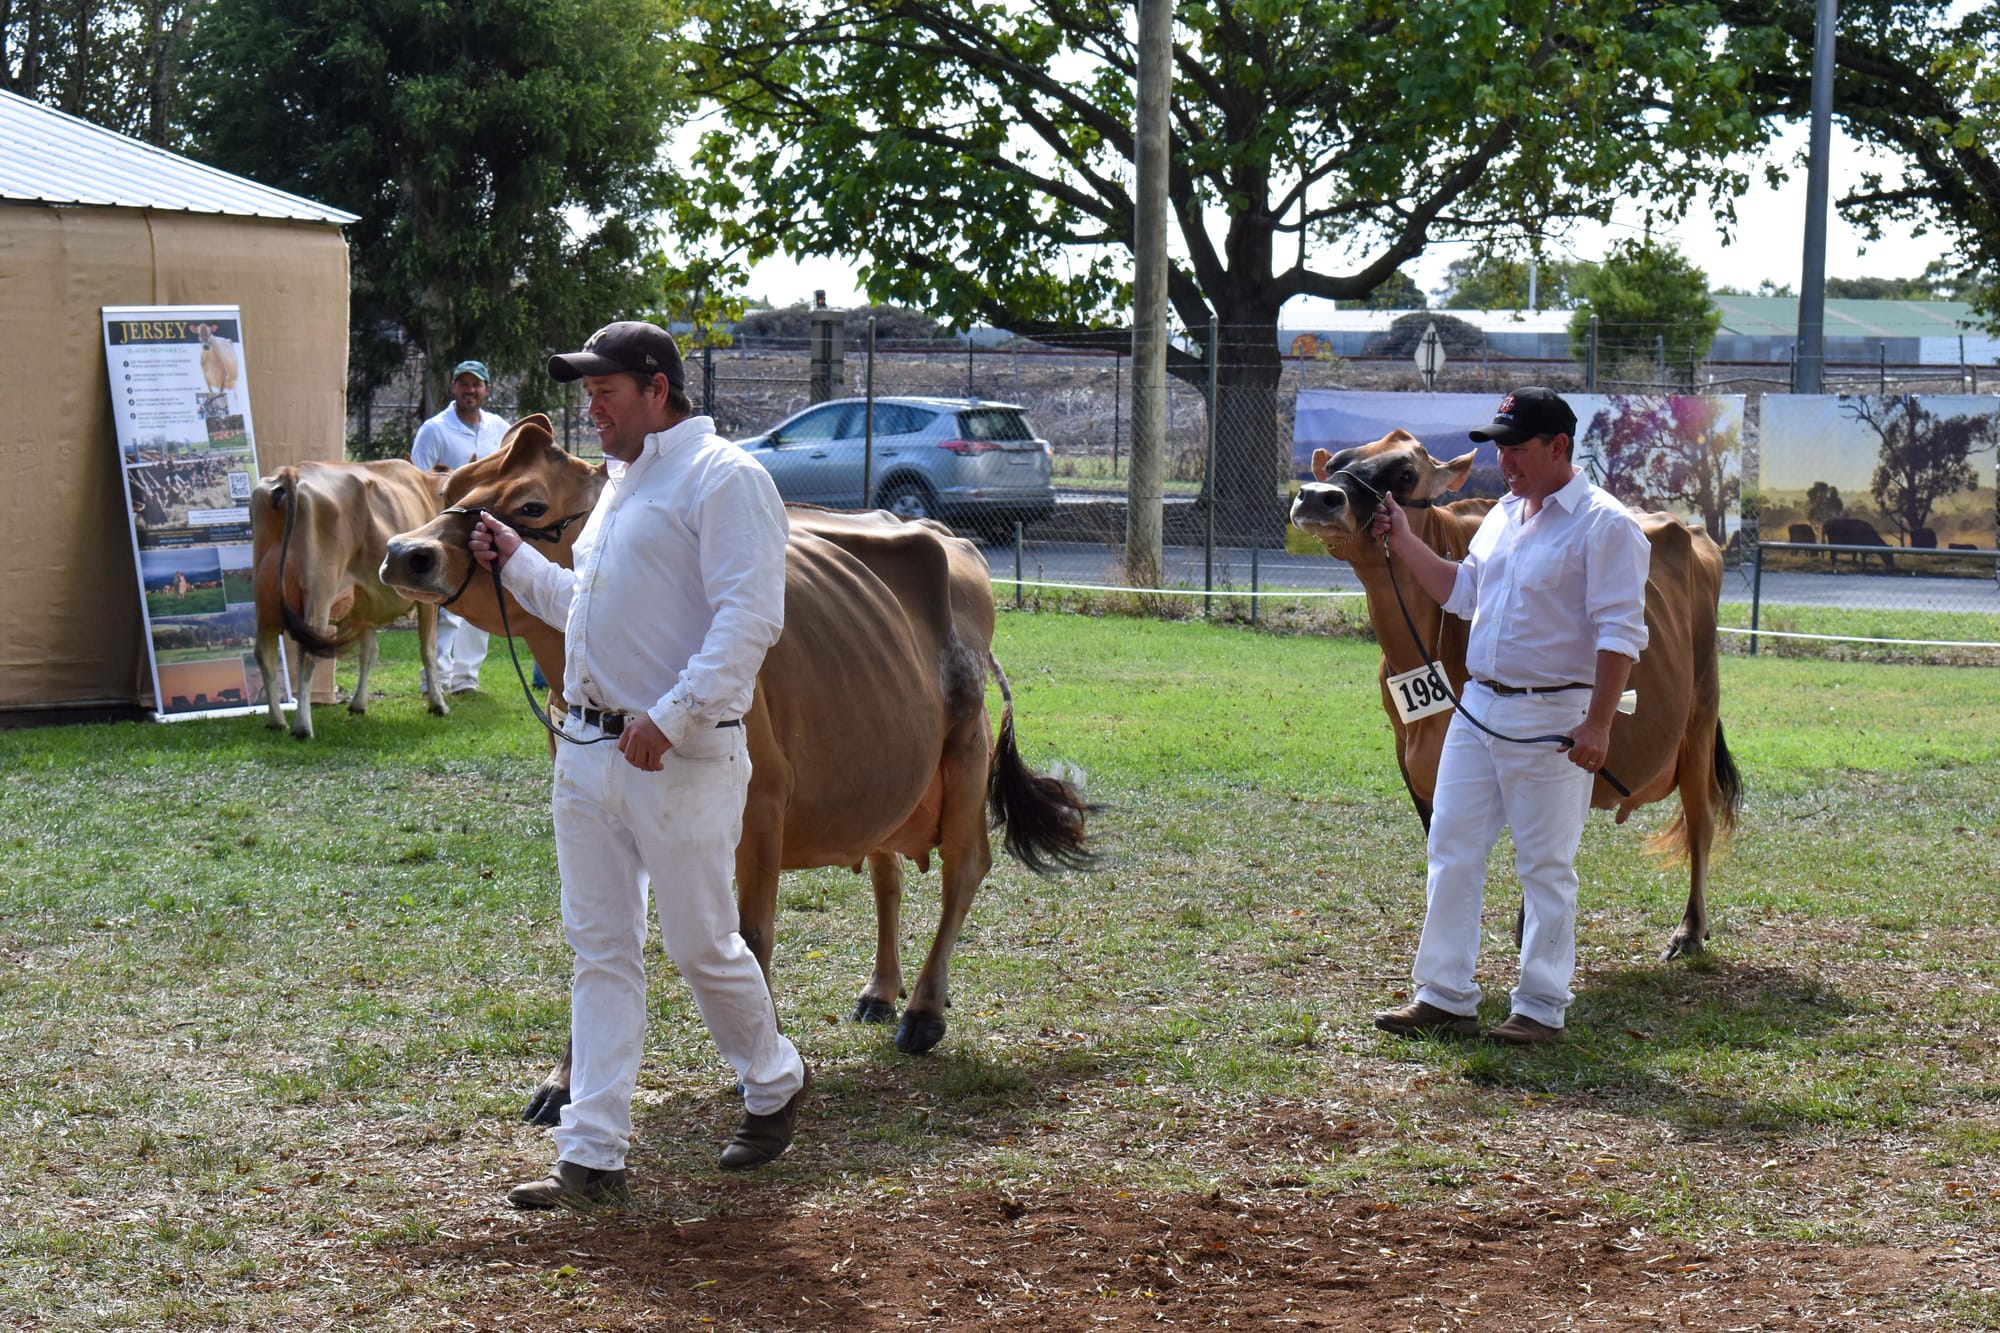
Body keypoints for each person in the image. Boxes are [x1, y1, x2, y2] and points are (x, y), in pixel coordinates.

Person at [468, 321, 809, 1211]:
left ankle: (774, 1081)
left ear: (657, 389)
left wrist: (674, 714)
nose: (593, 409)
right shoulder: (621, 486)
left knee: (701, 945)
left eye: (605, 392)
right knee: (601, 951)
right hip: (586, 750)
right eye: (588, 392)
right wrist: (515, 561)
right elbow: (589, 606)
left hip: (680, 757)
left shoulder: (726, 479)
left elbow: (749, 619)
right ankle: (591, 1156)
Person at [1367, 387, 1651, 1047]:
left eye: (1516, 447)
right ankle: (1444, 995)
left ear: (1558, 447)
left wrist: (1599, 723)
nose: (1504, 460)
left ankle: (1542, 1007)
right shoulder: (1503, 514)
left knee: (1546, 866)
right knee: (1452, 846)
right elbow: (1462, 593)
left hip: (1554, 714)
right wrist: (1406, 540)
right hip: (1480, 705)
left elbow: (1620, 635)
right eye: (1499, 446)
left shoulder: (1606, 526)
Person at [410, 359, 509, 694]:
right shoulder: (435, 429)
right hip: (445, 530)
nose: (470, 390)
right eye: (464, 383)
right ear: (454, 387)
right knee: (446, 605)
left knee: (481, 603)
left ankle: (465, 679)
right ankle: (434, 679)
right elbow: (418, 482)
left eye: (476, 384)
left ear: (486, 389)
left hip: (484, 529)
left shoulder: (499, 428)